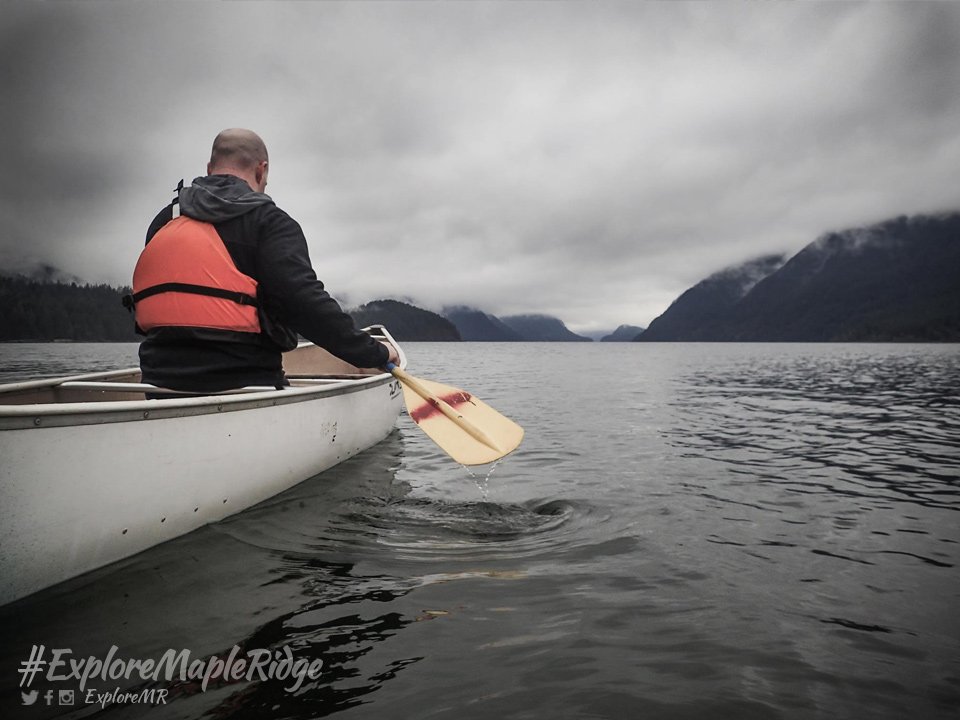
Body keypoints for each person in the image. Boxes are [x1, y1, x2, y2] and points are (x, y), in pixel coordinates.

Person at [128, 128, 398, 393]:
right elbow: (304, 304)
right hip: (246, 385)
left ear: (210, 168)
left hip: (158, 386)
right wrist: (374, 352)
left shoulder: (165, 221)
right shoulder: (269, 222)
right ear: (261, 170)